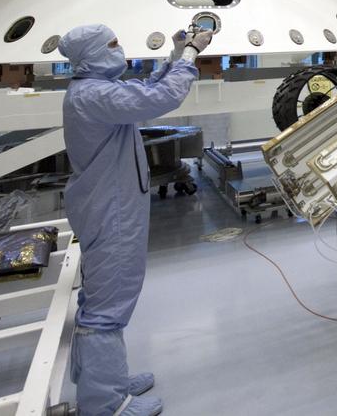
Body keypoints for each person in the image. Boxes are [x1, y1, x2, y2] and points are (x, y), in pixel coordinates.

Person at [59, 24, 211, 416]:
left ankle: (106, 378)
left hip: (108, 205)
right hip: (111, 211)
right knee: (107, 305)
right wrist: (191, 54)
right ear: (92, 53)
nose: (119, 48)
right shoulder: (93, 95)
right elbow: (159, 98)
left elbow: (142, 91)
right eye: (111, 44)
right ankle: (104, 403)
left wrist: (174, 56)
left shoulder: (94, 90)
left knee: (102, 297)